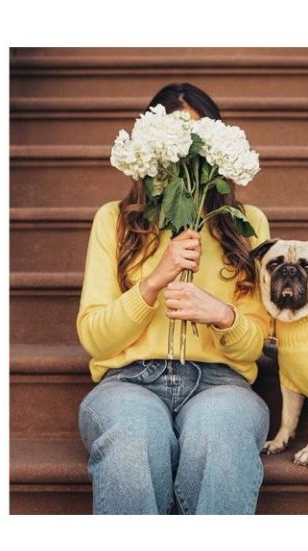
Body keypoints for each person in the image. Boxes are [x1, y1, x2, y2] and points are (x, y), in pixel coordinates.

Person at [75, 83, 272, 514]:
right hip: (129, 381)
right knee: (133, 437)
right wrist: (152, 283)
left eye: (198, 138)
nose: (187, 153)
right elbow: (94, 338)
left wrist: (222, 316)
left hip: (222, 383)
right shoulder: (114, 220)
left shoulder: (247, 223)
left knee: (220, 434)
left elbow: (255, 343)